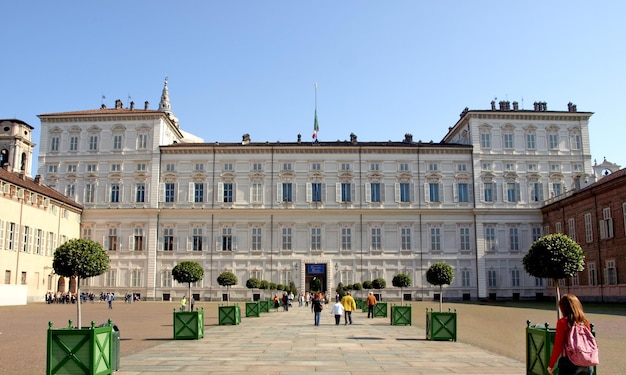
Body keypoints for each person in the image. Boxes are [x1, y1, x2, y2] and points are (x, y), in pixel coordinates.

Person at [548, 294, 593, 375]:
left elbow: (558, 346)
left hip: (569, 363)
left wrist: (551, 365)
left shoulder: (563, 323)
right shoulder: (585, 322)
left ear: (563, 308)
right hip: (587, 362)